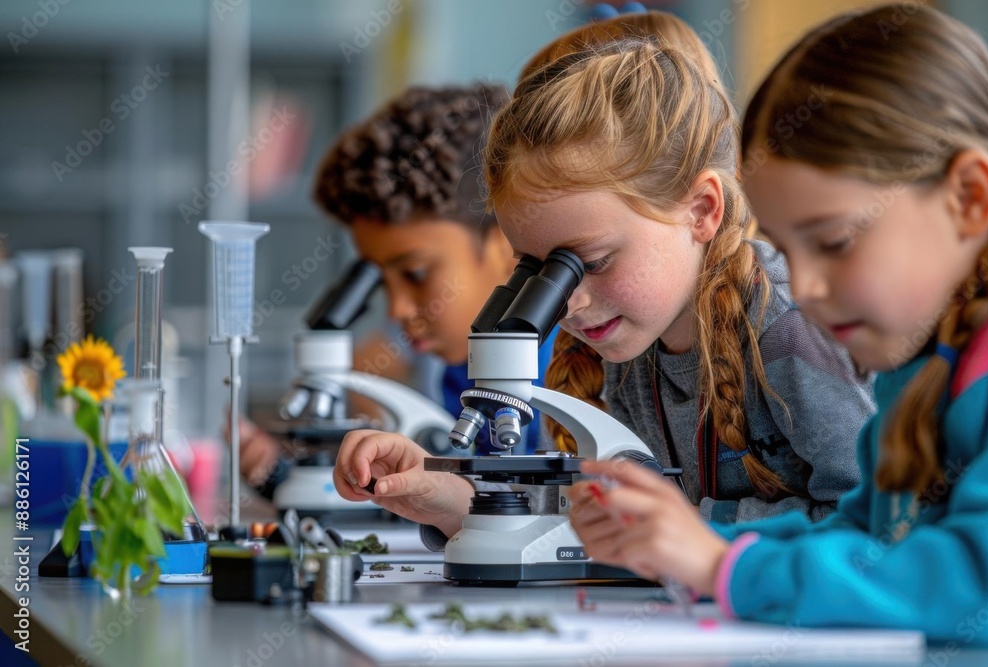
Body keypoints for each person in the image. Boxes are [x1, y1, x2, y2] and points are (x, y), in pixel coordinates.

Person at [334, 15, 875, 548]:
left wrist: (694, 530)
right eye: (538, 269)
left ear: (701, 210)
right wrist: (456, 501)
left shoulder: (788, 327)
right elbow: (598, 523)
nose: (566, 301)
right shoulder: (633, 343)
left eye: (589, 262)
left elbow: (878, 523)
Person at [569, 4, 988, 643]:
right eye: (790, 252)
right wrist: (684, 545)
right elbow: (862, 539)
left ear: (968, 198)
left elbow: (980, 586)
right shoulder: (917, 365)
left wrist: (722, 566)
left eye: (834, 241)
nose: (806, 288)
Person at [239, 84, 558, 497]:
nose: (398, 309)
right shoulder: (453, 369)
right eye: (380, 280)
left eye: (416, 273)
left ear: (506, 243)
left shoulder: (573, 372)